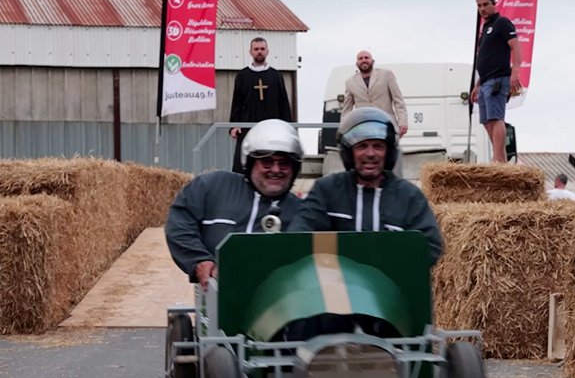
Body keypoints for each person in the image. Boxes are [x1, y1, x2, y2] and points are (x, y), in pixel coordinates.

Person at [291, 107, 443, 262]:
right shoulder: (326, 190)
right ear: (349, 153)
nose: (370, 154)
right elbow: (298, 235)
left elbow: (430, 246)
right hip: (335, 276)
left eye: (378, 146)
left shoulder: (409, 196)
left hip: (391, 277)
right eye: (362, 146)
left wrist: (389, 259)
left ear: (389, 153)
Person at [166, 119, 303, 289]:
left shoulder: (303, 213)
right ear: (250, 162)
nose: (275, 170)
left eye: (284, 163)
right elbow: (180, 221)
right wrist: (199, 260)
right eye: (267, 162)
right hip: (218, 299)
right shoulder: (213, 187)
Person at [471, 0, 523, 164]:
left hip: (498, 79)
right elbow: (485, 59)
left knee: (496, 118)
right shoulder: (485, 29)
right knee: (486, 121)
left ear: (494, 4)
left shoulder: (502, 23)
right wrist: (477, 84)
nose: (482, 9)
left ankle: (498, 159)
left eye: (486, 4)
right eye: (479, 6)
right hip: (485, 81)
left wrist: (515, 71)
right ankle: (501, 157)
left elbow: (516, 46)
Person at [228, 37, 292, 173]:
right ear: (250, 52)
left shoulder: (276, 76)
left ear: (267, 51)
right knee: (243, 167)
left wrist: (287, 127)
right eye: (256, 49)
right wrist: (234, 125)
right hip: (247, 128)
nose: (259, 52)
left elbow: (283, 104)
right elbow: (237, 102)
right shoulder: (242, 76)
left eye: (262, 49)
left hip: (271, 129)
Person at [342, 50, 409, 137]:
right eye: (360, 58)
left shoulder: (386, 75)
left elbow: (398, 101)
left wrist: (403, 122)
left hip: (387, 126)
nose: (363, 60)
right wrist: (343, 129)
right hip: (364, 128)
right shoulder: (350, 82)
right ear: (357, 63)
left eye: (366, 58)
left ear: (373, 61)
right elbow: (346, 110)